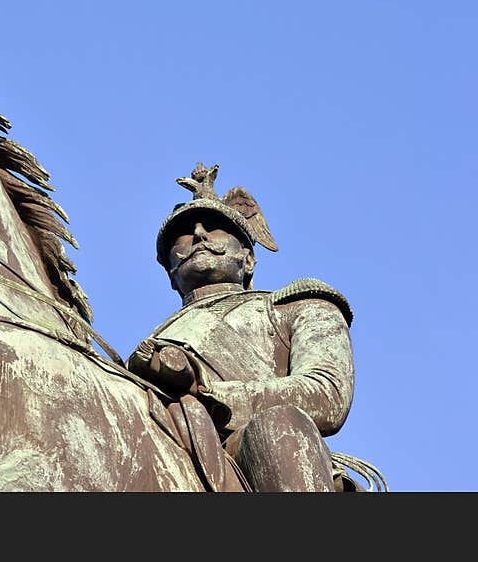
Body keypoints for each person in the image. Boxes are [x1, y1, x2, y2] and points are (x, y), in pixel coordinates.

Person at [128, 163, 360, 492]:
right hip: (171, 442)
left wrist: (208, 390)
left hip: (256, 448)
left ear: (248, 259)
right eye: (182, 235)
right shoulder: (151, 345)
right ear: (170, 274)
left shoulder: (296, 305)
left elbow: (326, 396)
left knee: (277, 426)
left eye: (215, 229)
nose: (197, 235)